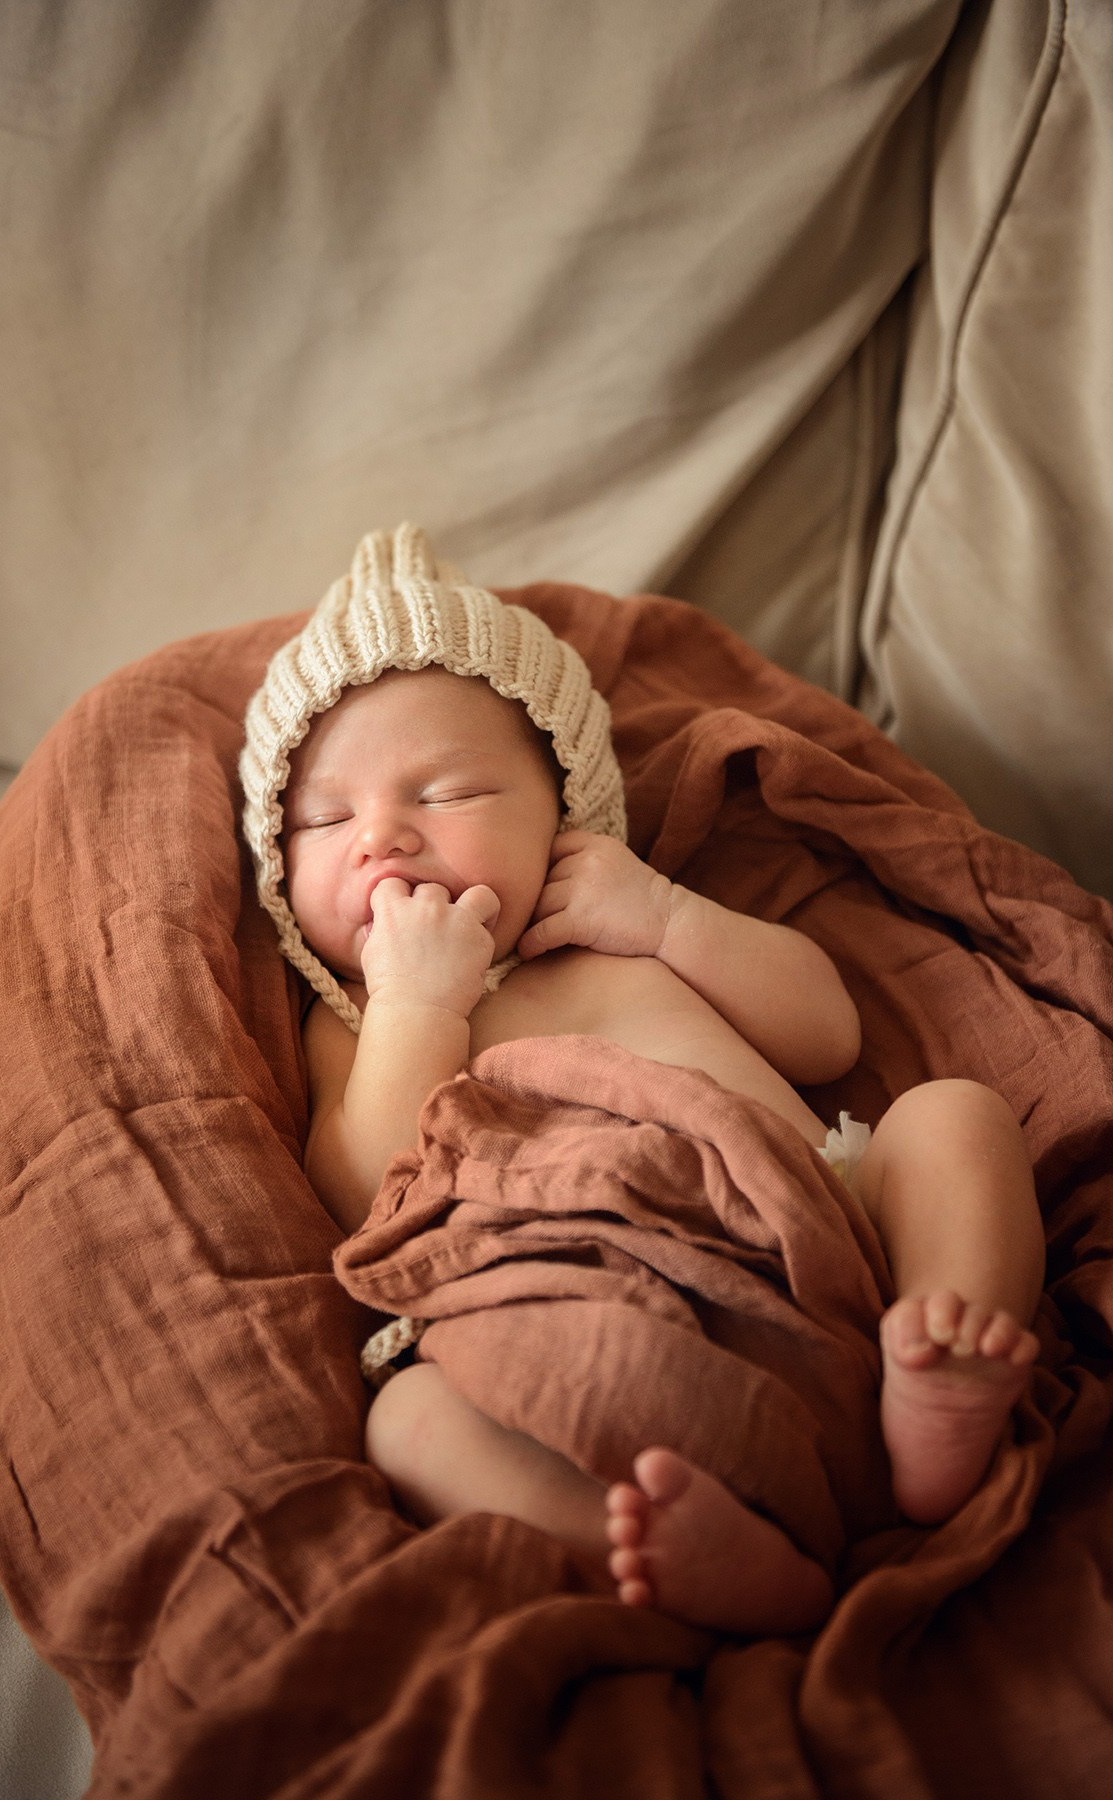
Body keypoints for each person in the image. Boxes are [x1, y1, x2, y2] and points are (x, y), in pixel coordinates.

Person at [241, 525, 1045, 1636]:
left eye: (451, 792)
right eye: (324, 819)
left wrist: (668, 918)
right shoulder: (353, 1021)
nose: (382, 836)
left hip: (815, 1248)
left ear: (565, 810)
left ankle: (942, 1358)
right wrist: (417, 1007)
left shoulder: (622, 933)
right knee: (410, 1422)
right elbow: (370, 1188)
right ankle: (657, 1538)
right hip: (575, 1324)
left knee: (954, 1119)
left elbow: (824, 1035)